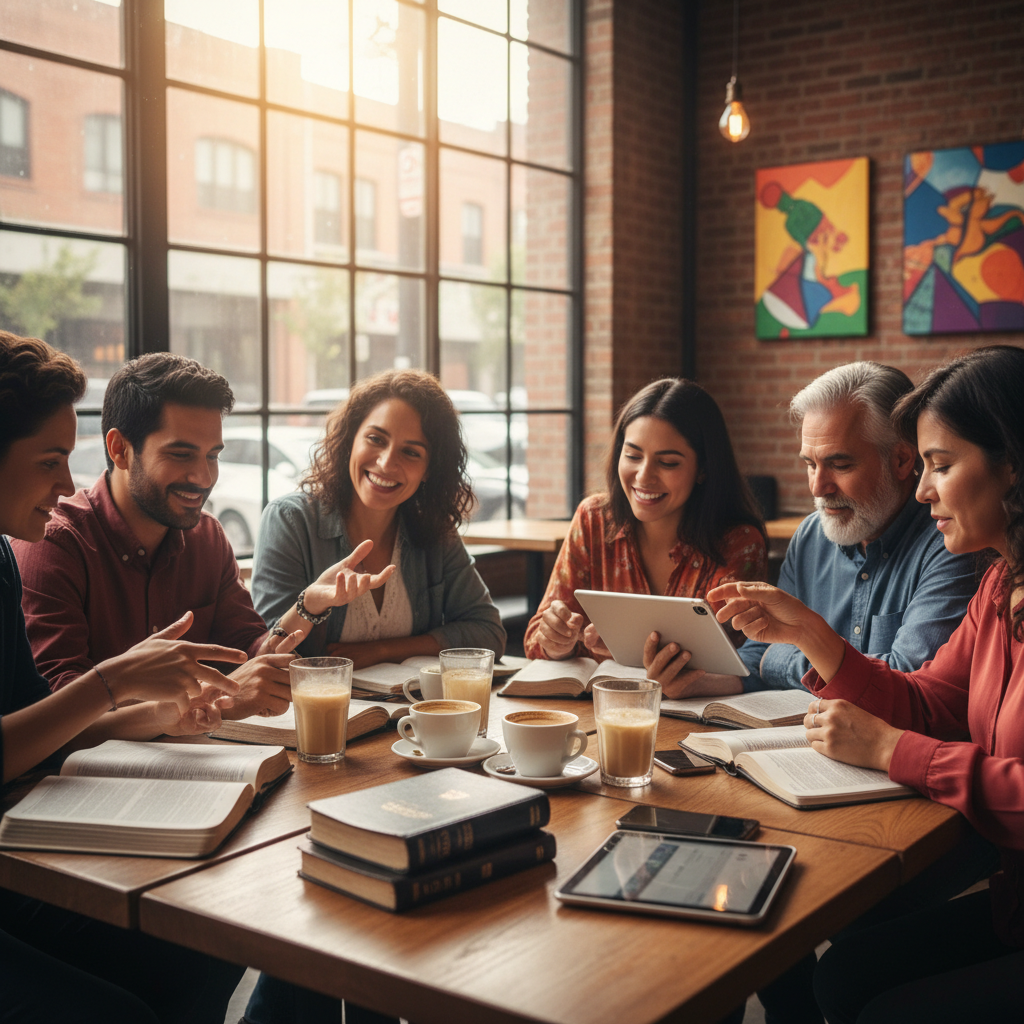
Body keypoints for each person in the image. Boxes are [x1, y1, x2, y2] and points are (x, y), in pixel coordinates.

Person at [711, 345, 1024, 1023]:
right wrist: (815, 639)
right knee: (842, 978)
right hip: (1012, 906)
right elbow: (930, 699)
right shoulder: (1001, 581)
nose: (923, 490)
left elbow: (914, 724)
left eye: (940, 465)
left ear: (1012, 466)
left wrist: (892, 750)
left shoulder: (969, 564)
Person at [0, 331, 247, 1023]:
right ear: (123, 449)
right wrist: (114, 683)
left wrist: (155, 715)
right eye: (50, 460)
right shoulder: (43, 546)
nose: (61, 481)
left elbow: (36, 729)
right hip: (21, 861)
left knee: (211, 942)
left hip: (22, 845)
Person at [13, 352, 300, 720]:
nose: (203, 477)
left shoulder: (207, 537)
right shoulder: (54, 543)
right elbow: (56, 708)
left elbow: (245, 649)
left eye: (212, 456)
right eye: (181, 454)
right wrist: (223, 699)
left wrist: (295, 627)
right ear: (120, 449)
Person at [686, 362, 978, 703]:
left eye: (839, 465)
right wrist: (704, 681)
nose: (818, 486)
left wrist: (791, 656)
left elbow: (904, 681)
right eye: (810, 464)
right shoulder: (811, 535)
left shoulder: (951, 542)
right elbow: (760, 652)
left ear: (901, 460)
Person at [250, 368, 505, 666]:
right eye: (375, 438)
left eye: (411, 453)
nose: (386, 463)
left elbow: (489, 634)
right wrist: (311, 605)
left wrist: (384, 650)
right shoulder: (290, 521)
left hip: (412, 710)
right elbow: (268, 655)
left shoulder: (434, 531)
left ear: (429, 471)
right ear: (350, 441)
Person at [522, 377, 766, 681]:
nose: (643, 476)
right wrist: (556, 641)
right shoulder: (593, 519)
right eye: (633, 455)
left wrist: (636, 653)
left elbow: (734, 659)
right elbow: (535, 638)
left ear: (703, 469)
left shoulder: (738, 542)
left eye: (667, 463)